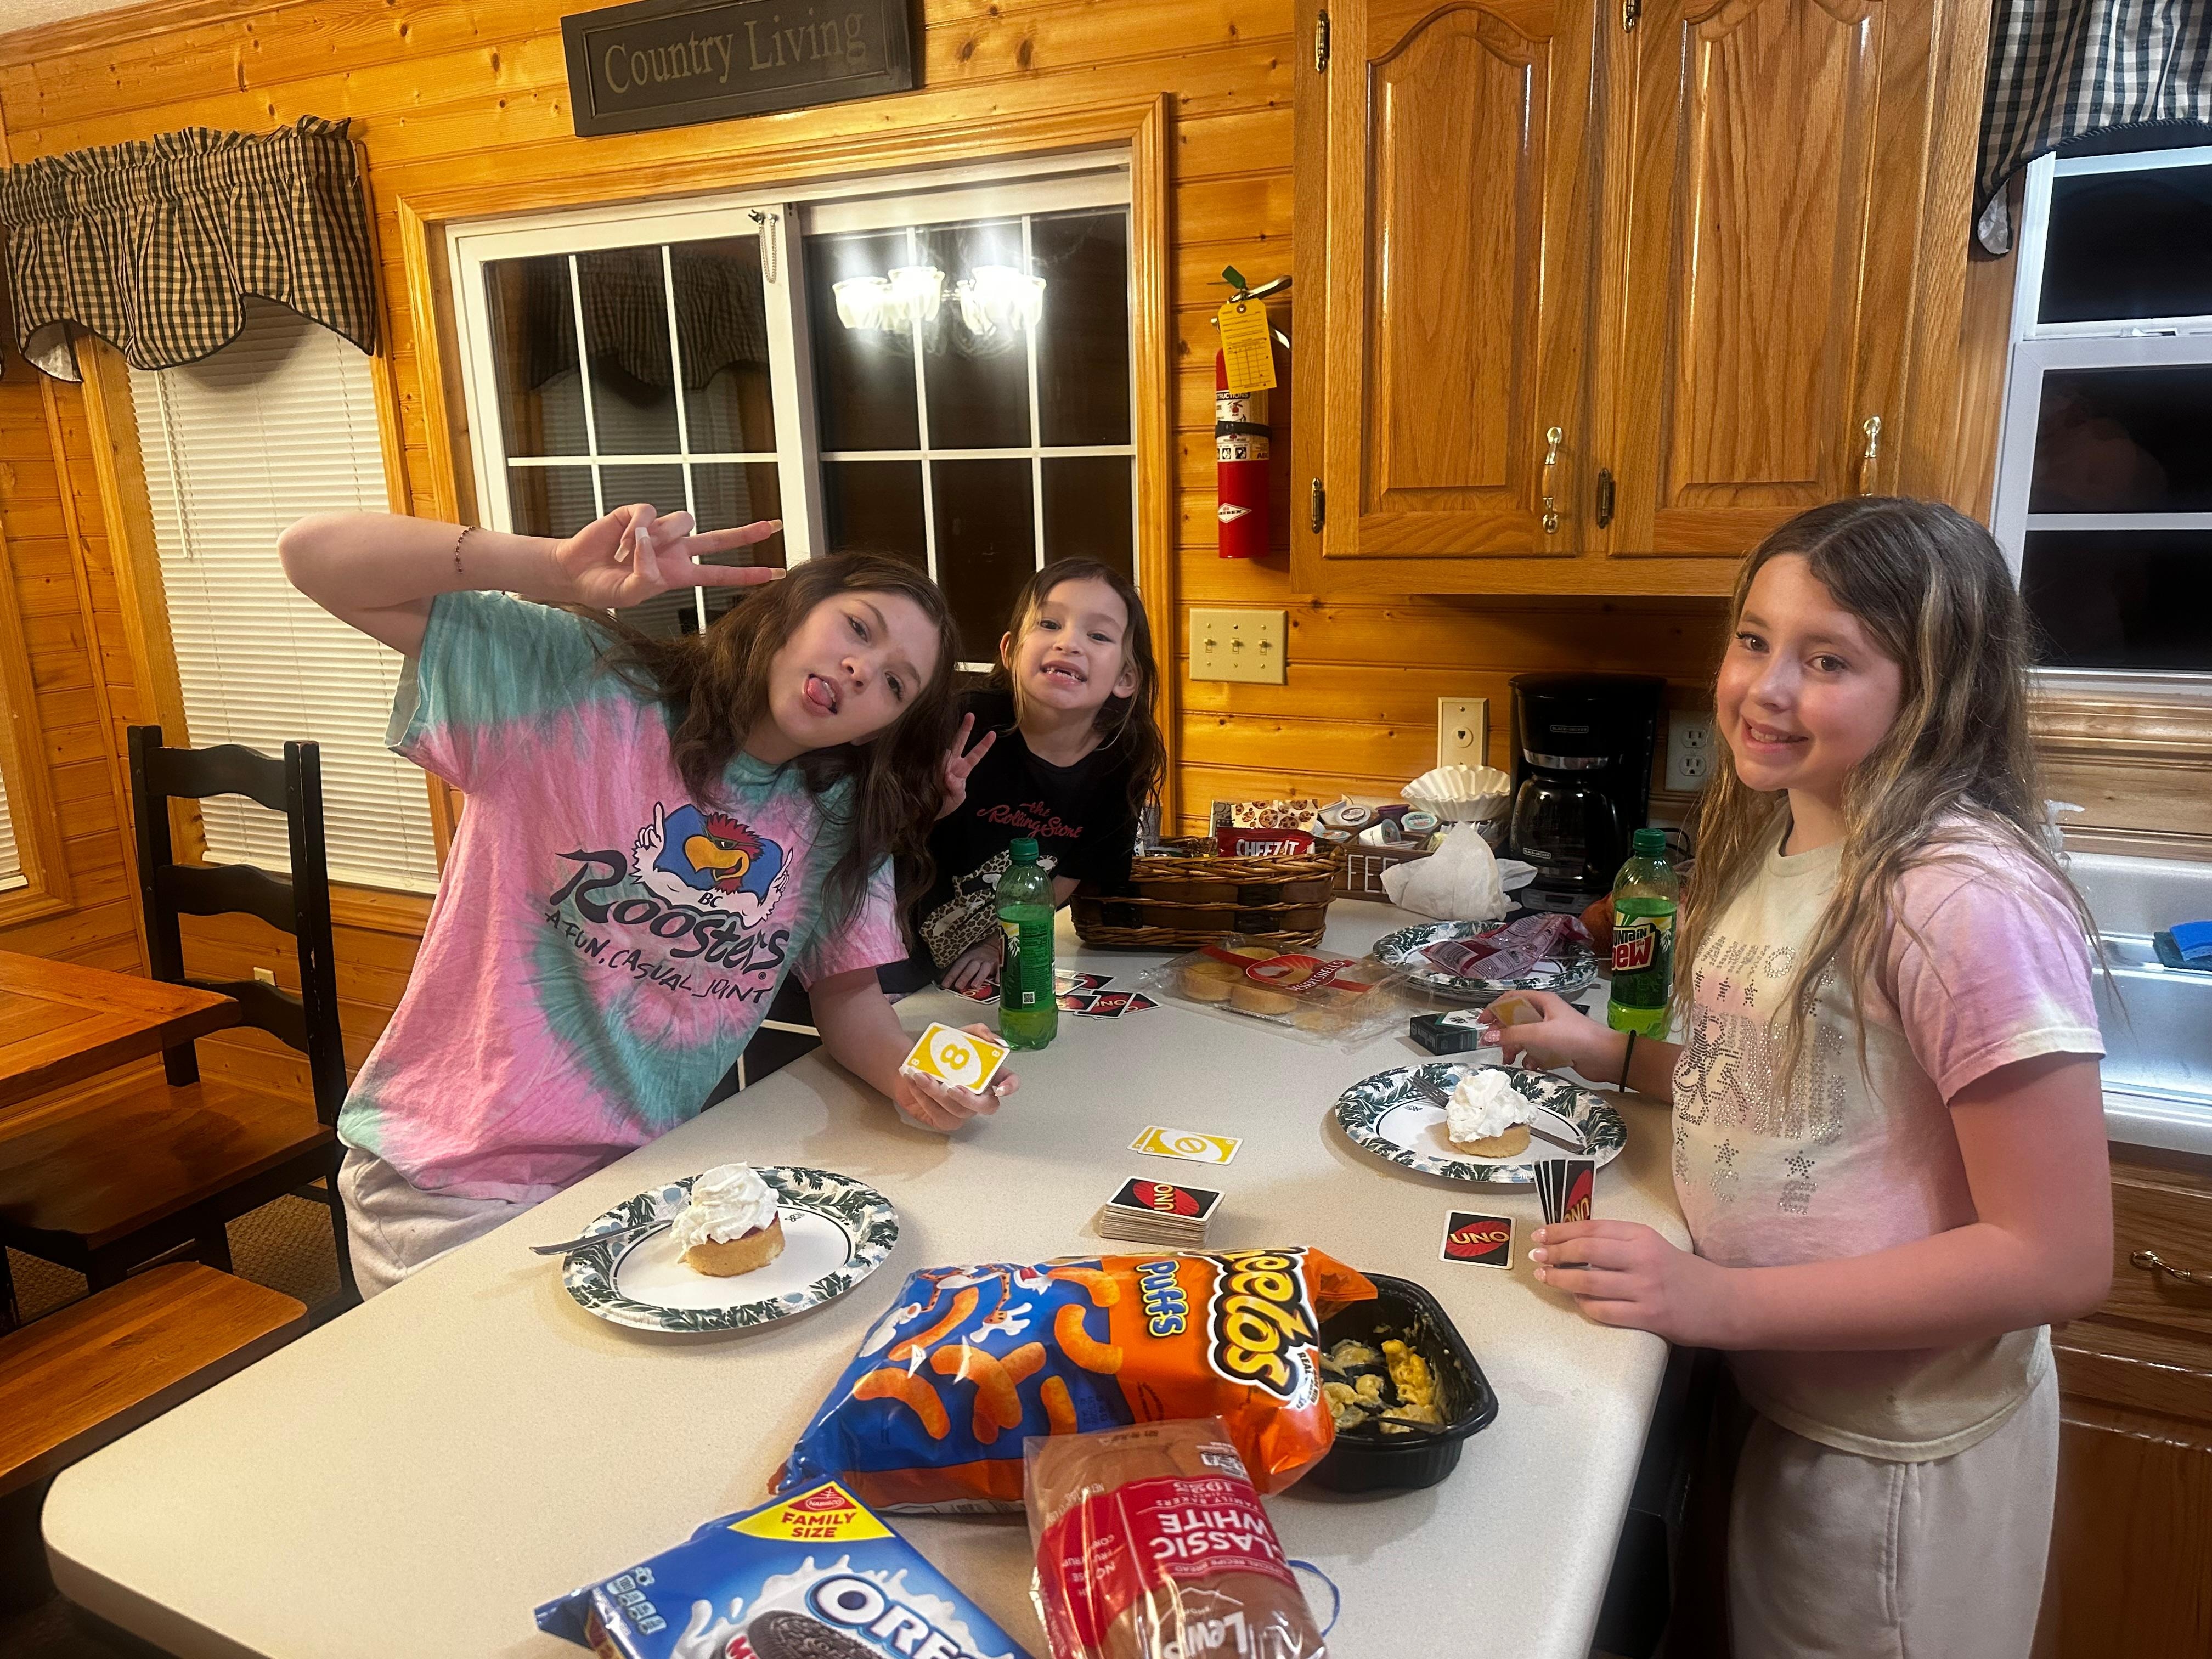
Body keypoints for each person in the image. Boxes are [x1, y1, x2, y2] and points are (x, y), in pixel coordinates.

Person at [1491, 498, 2110, 1657]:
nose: (1765, 688)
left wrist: (1717, 1301)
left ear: (1935, 690)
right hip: (1796, 1396)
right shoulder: (1798, 831)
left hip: (1898, 1455)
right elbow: (1792, 1078)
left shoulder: (1956, 897)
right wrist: (1615, 1055)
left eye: (1827, 660)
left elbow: (2058, 1255)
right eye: (1754, 640)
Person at [278, 505, 1020, 1297]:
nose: (862, 670)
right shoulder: (578, 685)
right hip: (452, 1180)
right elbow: (313, 556)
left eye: (896, 683)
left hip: (645, 1191)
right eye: (858, 628)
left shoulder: (840, 819)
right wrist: (551, 568)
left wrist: (916, 1080)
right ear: (793, 609)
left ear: (884, 727)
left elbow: (852, 1008)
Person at [900, 557, 1164, 991]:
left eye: (1098, 635)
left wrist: (996, 945)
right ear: (1010, 652)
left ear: (1126, 677)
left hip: (985, 962)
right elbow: (875, 841)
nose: (1068, 643)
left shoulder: (1121, 759)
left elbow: (1073, 871)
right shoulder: (958, 724)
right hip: (889, 943)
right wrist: (925, 806)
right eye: (1049, 624)